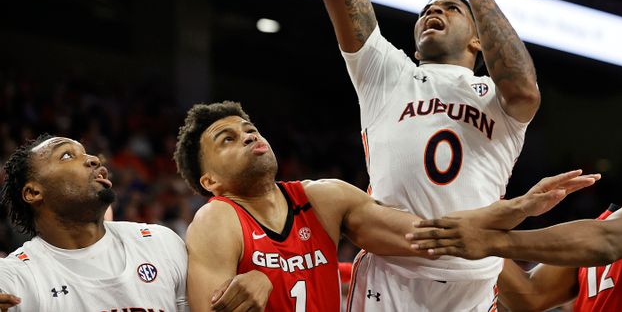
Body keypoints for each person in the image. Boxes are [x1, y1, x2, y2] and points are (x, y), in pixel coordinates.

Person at [314, 0, 541, 310]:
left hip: (472, 283)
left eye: (450, 9)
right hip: (393, 274)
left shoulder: (499, 97)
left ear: (479, 41)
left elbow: (525, 91)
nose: (433, 11)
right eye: (426, 10)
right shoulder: (388, 73)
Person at [174, 101, 591, 312]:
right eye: (226, 139)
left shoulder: (323, 198)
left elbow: (425, 233)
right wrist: (252, 290)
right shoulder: (218, 218)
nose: (247, 135)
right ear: (210, 181)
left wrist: (517, 207)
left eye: (248, 128)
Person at [407, 86, 622, 312]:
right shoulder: (606, 221)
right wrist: (463, 211)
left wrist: (490, 239)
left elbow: (607, 241)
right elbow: (530, 296)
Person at [0, 134, 188, 311]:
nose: (94, 159)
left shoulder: (161, 243)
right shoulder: (16, 277)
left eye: (86, 152)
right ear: (33, 193)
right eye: (66, 155)